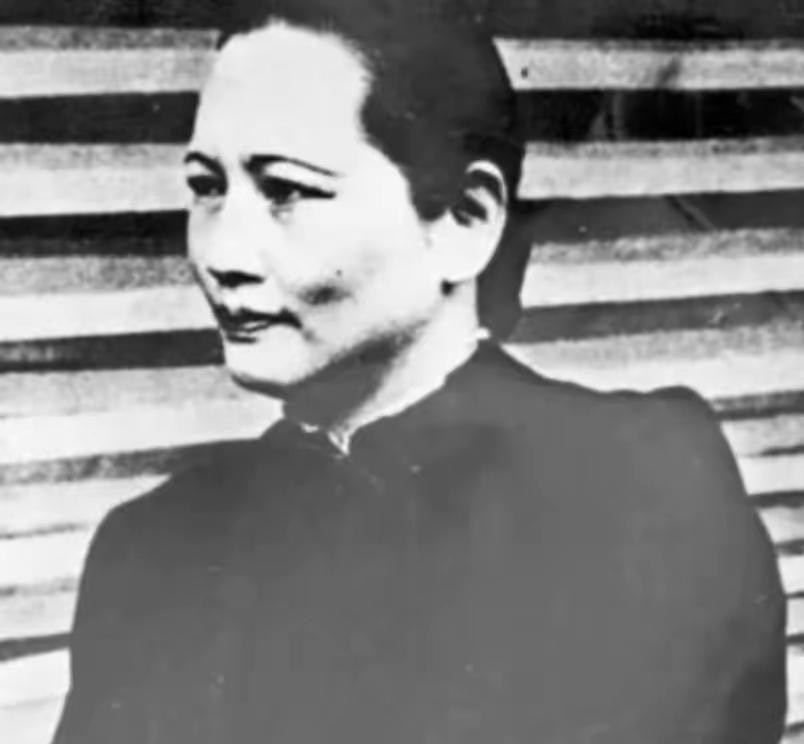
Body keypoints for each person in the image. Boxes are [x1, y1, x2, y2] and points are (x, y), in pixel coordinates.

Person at [52, 1, 787, 743]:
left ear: (464, 219)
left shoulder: (637, 485)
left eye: (287, 191)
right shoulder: (151, 549)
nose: (222, 255)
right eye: (207, 187)